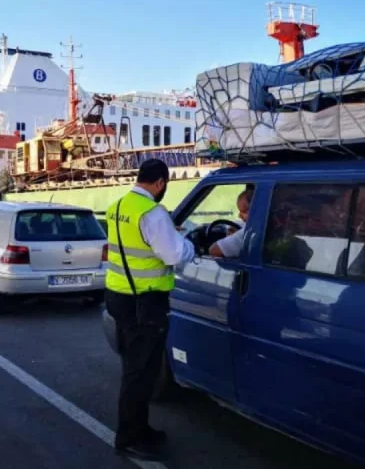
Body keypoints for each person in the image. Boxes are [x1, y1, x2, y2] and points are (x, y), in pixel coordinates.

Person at [104, 158, 195, 461]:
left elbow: (137, 243)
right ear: (160, 183)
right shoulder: (153, 213)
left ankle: (140, 429)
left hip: (119, 296)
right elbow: (175, 255)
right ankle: (129, 437)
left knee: (136, 367)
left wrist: (167, 232)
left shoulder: (118, 206)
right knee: (140, 372)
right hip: (144, 302)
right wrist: (188, 243)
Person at [208, 187, 253, 258]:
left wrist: (233, 236)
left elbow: (213, 250)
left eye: (244, 211)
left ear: (256, 209)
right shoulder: (265, 224)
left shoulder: (250, 232)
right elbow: (239, 224)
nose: (239, 215)